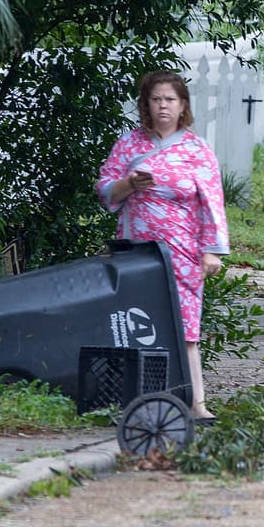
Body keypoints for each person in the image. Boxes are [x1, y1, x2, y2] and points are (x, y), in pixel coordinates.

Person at [97, 71, 230, 422]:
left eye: (170, 99)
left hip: (183, 251)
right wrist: (129, 184)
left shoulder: (197, 150)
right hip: (136, 251)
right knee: (133, 322)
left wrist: (211, 250)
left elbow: (212, 203)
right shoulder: (128, 145)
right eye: (156, 99)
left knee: (186, 327)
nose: (163, 106)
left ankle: (196, 403)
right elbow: (105, 190)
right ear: (146, 104)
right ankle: (132, 403)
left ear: (182, 104)